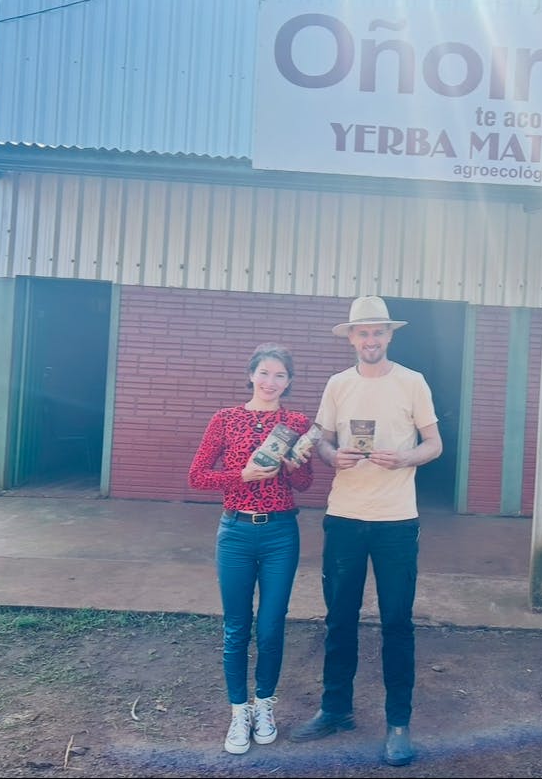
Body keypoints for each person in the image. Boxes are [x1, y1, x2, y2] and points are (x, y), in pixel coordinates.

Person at [288, 295, 442, 768]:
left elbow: (434, 444)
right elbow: (322, 439)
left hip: (397, 520)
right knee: (339, 618)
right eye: (363, 333)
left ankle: (398, 723)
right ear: (351, 338)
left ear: (389, 335)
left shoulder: (412, 382)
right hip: (345, 517)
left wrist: (406, 457)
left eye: (378, 332)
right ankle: (336, 708)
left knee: (396, 622)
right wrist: (332, 456)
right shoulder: (338, 384)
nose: (370, 339)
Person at [188, 343, 315, 755]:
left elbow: (306, 484)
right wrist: (241, 475)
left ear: (289, 381)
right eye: (264, 373)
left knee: (272, 625)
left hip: (280, 533)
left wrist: (294, 467)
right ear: (251, 375)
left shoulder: (296, 422)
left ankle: (264, 706)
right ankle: (238, 711)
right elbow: (197, 476)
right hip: (236, 533)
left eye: (280, 375)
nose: (270, 381)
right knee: (237, 627)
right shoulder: (225, 419)